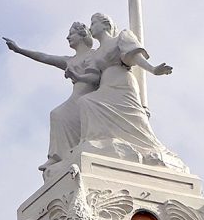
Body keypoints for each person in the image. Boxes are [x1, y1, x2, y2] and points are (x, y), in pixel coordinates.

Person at [77, 13, 186, 170]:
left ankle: (151, 146)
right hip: (105, 85)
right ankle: (98, 140)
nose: (91, 27)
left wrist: (153, 70)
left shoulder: (121, 37)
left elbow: (135, 57)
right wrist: (76, 75)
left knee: (135, 118)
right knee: (86, 101)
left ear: (105, 24)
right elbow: (92, 76)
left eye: (93, 23)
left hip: (122, 82)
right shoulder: (95, 54)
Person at [3, 23, 100, 175]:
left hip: (87, 98)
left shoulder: (93, 55)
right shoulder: (70, 60)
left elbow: (96, 78)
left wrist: (78, 76)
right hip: (75, 98)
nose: (68, 37)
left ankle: (65, 155)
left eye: (71, 33)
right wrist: (19, 50)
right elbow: (44, 57)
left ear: (82, 35)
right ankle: (59, 156)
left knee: (58, 114)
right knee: (57, 114)